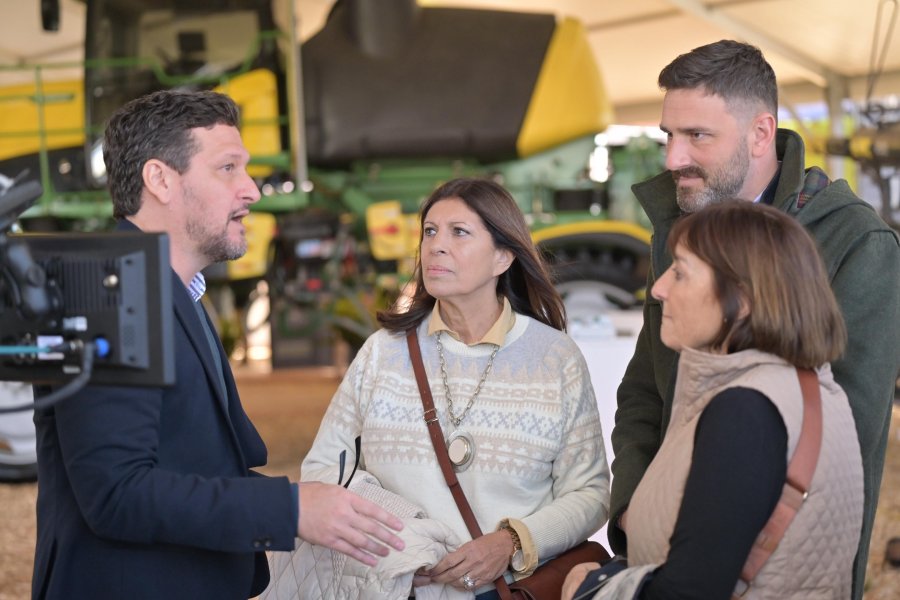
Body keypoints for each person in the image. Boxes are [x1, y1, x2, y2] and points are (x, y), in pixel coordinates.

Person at [31, 90, 404, 600]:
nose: (251, 190)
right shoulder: (109, 291)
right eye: (228, 168)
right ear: (160, 179)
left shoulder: (171, 289)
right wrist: (291, 510)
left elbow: (190, 454)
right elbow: (117, 494)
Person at [609, 39, 900, 599]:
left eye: (698, 136)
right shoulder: (681, 222)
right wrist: (632, 511)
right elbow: (646, 391)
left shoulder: (853, 241)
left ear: (761, 133)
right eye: (669, 135)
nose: (673, 158)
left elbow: (847, 448)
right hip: (664, 558)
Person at [296, 177, 610, 598]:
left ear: (503, 257)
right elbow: (323, 472)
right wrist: (406, 540)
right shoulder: (381, 354)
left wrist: (512, 543)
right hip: (396, 589)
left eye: (459, 232)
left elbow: (589, 493)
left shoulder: (555, 359)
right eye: (430, 231)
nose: (436, 246)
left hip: (503, 591)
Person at [564, 200, 864, 599]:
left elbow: (691, 591)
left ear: (740, 300)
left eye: (681, 273)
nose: (658, 288)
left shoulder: (746, 410)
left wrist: (590, 589)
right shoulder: (808, 389)